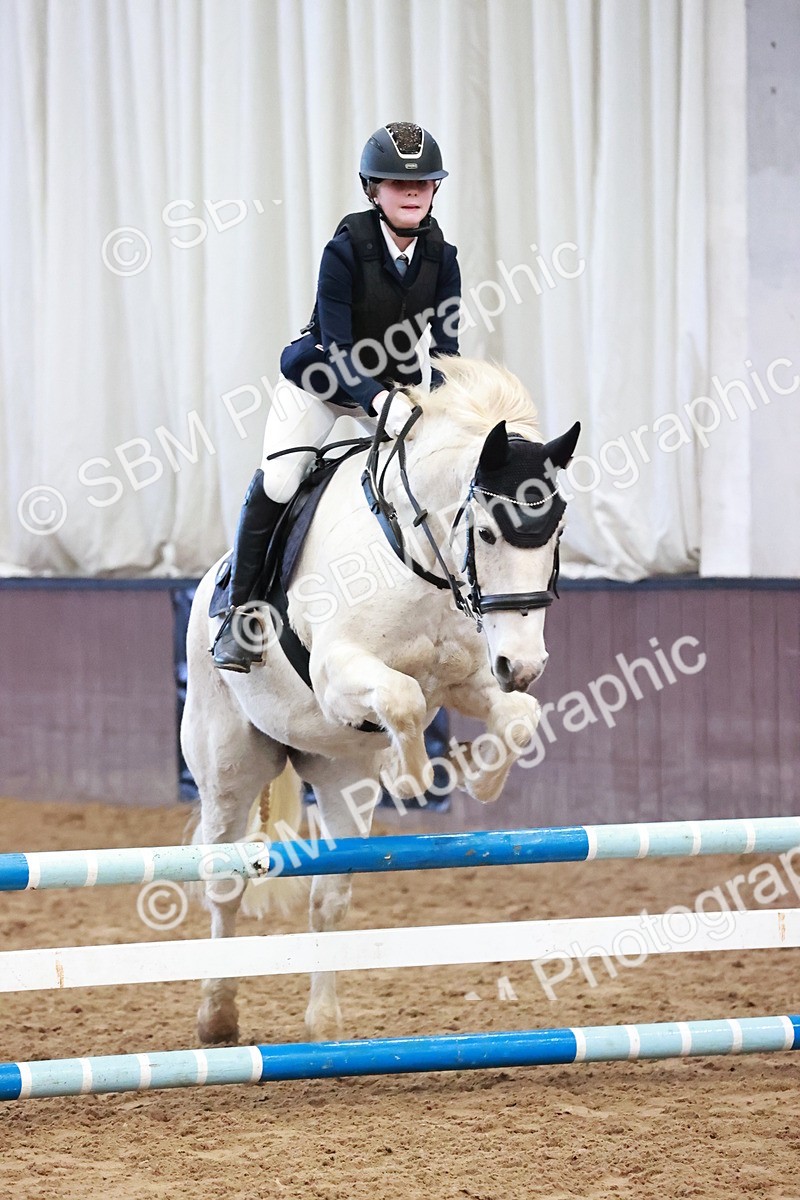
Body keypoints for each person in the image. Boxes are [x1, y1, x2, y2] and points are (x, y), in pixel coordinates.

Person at [213, 121, 461, 672]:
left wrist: (447, 413)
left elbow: (446, 350)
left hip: (394, 387)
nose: (413, 192)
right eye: (399, 184)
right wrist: (377, 401)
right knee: (280, 480)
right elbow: (339, 346)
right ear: (373, 189)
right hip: (323, 380)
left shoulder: (443, 257)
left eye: (422, 184)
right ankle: (241, 613)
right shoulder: (345, 250)